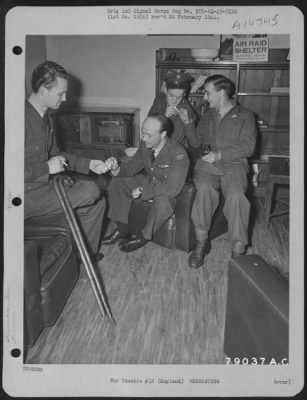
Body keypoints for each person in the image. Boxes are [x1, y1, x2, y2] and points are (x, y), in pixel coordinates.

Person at [25, 61, 108, 261]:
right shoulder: (18, 119)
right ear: (44, 90)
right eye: (61, 93)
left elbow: (58, 154)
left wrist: (89, 164)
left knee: (97, 204)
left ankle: (82, 257)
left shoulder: (46, 118)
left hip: (41, 188)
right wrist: (46, 167)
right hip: (23, 195)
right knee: (90, 190)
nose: (65, 98)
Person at [188, 74, 257, 268]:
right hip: (208, 165)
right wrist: (187, 123)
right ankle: (202, 242)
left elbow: (249, 147)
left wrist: (220, 155)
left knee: (236, 196)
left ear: (221, 93)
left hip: (234, 163)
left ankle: (238, 251)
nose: (205, 97)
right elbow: (195, 142)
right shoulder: (208, 115)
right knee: (204, 190)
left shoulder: (246, 115)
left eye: (208, 93)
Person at [101, 114, 190, 252]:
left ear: (163, 134)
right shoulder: (145, 145)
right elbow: (132, 167)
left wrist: (143, 189)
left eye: (148, 135)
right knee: (118, 181)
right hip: (150, 181)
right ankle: (122, 229)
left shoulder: (178, 154)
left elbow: (172, 188)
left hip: (168, 191)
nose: (143, 138)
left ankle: (143, 237)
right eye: (143, 133)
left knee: (163, 202)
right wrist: (116, 168)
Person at [148, 70, 200, 151]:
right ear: (165, 90)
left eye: (179, 97)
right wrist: (163, 118)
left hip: (175, 154)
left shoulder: (187, 110)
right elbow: (148, 131)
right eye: (171, 95)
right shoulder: (159, 101)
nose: (174, 101)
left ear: (184, 94)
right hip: (155, 149)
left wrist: (187, 122)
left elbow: (195, 144)